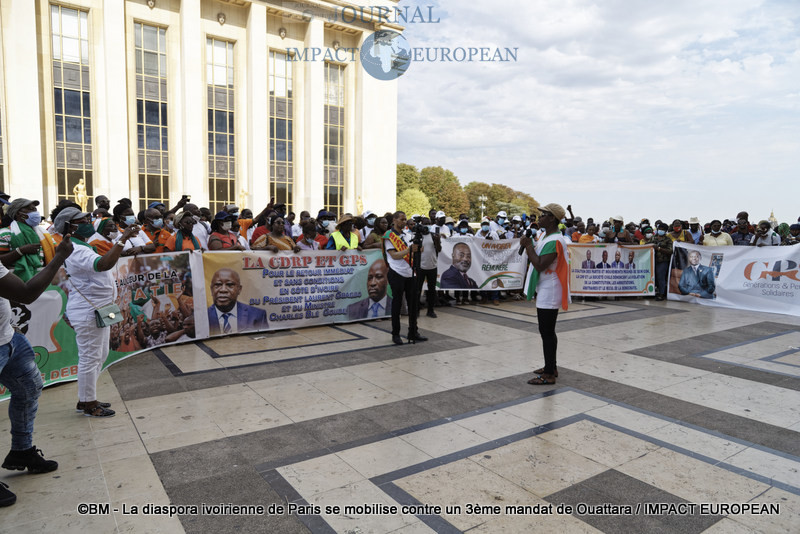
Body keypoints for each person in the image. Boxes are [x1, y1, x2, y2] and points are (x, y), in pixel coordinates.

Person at [0, 232, 73, 507]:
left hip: (8, 338)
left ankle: (21, 451)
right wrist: (58, 258)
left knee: (29, 387)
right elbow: (27, 293)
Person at [55, 207, 139, 417]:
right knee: (90, 357)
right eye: (82, 220)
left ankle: (86, 398)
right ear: (70, 227)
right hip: (88, 311)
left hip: (98, 309)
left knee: (98, 355)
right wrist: (123, 238)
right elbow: (103, 264)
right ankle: (88, 403)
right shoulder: (77, 248)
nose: (88, 222)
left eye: (88, 218)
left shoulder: (81, 246)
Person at [519, 203, 570, 385]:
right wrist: (530, 244)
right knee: (547, 331)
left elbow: (540, 264)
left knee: (546, 332)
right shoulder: (545, 236)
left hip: (551, 289)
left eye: (543, 215)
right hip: (545, 288)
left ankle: (548, 374)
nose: (539, 218)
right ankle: (551, 366)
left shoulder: (555, 240)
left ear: (552, 219)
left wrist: (527, 247)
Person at [383, 211, 426, 345]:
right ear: (394, 220)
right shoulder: (389, 237)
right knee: (397, 304)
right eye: (401, 219)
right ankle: (395, 334)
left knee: (413, 304)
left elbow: (414, 252)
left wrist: (419, 249)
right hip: (396, 272)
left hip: (410, 272)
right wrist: (409, 250)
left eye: (405, 219)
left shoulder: (408, 235)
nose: (404, 221)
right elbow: (394, 255)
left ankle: (413, 331)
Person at [0, 199, 58, 281]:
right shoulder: (5, 234)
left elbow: (55, 252)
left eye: (35, 209)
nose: (35, 212)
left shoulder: (44, 234)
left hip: (41, 281)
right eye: (30, 209)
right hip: (15, 283)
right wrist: (20, 251)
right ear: (18, 213)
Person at [207, 268, 268, 335]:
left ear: (239, 289)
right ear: (211, 289)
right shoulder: (202, 317)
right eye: (218, 285)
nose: (223, 290)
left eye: (229, 285)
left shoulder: (257, 315)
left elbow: (262, 342)